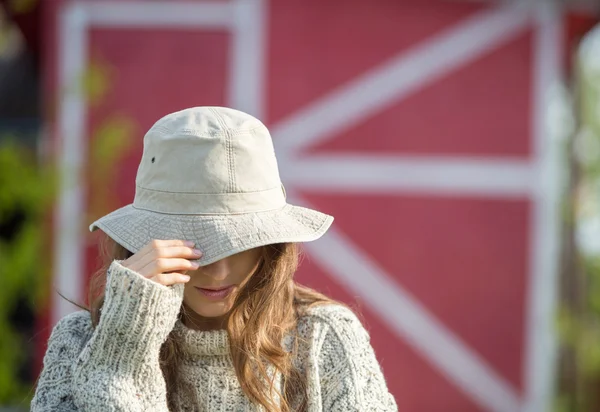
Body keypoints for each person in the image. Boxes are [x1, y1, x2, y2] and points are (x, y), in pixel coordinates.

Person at [31, 107, 398, 411]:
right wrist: (122, 350)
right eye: (193, 244)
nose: (218, 270)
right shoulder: (81, 341)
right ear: (147, 241)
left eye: (240, 243)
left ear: (271, 246)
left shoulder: (322, 339)